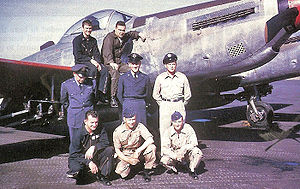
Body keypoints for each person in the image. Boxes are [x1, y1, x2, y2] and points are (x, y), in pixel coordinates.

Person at [152, 53, 192, 153]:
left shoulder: (182, 77)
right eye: (169, 64)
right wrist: (163, 104)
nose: (172, 66)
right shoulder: (160, 78)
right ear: (165, 65)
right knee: (164, 129)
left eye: (173, 64)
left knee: (180, 129)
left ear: (176, 64)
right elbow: (155, 94)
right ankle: (165, 154)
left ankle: (181, 154)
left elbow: (187, 94)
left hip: (178, 104)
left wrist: (182, 104)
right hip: (165, 104)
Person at [101, 21, 146, 108]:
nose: (121, 32)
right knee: (115, 72)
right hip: (108, 63)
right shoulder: (109, 38)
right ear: (115, 29)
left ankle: (133, 92)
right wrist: (111, 62)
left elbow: (131, 34)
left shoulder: (123, 36)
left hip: (119, 62)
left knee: (131, 69)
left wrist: (139, 34)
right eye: (119, 30)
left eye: (123, 30)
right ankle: (113, 97)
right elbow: (107, 52)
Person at [67, 110, 114, 186]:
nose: (94, 125)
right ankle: (80, 173)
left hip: (94, 155)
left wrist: (95, 147)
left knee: (109, 150)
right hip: (80, 158)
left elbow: (106, 142)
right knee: (77, 171)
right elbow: (73, 155)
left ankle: (103, 176)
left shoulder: (101, 128)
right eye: (92, 122)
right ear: (85, 121)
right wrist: (88, 162)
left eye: (96, 122)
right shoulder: (78, 134)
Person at [113, 108, 156, 182]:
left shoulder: (139, 126)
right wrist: (128, 160)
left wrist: (138, 151)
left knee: (152, 147)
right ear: (124, 119)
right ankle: (134, 167)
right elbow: (117, 150)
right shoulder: (118, 131)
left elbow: (150, 139)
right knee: (122, 173)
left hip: (138, 151)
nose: (132, 122)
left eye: (133, 119)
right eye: (129, 120)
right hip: (126, 153)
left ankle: (147, 170)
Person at [73, 19, 109, 103]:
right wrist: (91, 61)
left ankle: (101, 94)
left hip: (91, 62)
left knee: (104, 70)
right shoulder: (77, 40)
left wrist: (98, 63)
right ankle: (92, 94)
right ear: (82, 28)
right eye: (86, 28)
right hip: (81, 62)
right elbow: (78, 56)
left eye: (90, 28)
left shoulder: (93, 40)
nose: (88, 30)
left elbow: (96, 53)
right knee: (93, 70)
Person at [160, 111, 203, 180]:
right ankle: (174, 168)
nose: (177, 124)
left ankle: (192, 169)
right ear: (172, 122)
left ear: (182, 121)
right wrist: (175, 156)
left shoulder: (188, 128)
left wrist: (184, 148)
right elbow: (164, 148)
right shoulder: (168, 131)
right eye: (175, 122)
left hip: (186, 153)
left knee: (198, 152)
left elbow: (194, 143)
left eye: (179, 122)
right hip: (175, 154)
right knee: (164, 160)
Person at [60, 64, 96, 141]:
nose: (82, 79)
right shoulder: (66, 84)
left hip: (88, 115)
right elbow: (64, 100)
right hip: (75, 116)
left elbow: (94, 98)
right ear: (74, 74)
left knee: (89, 140)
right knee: (75, 140)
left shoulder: (92, 82)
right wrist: (72, 109)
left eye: (84, 77)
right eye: (80, 77)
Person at [117, 53, 150, 126]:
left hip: (140, 104)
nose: (135, 66)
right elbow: (119, 94)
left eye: (137, 64)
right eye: (133, 64)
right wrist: (126, 104)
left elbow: (148, 94)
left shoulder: (145, 78)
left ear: (140, 64)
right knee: (128, 128)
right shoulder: (123, 78)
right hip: (128, 104)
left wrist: (143, 103)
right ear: (129, 64)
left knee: (142, 127)